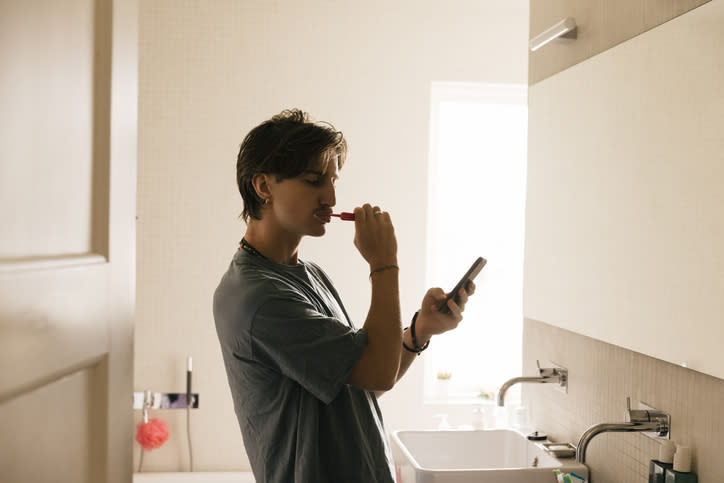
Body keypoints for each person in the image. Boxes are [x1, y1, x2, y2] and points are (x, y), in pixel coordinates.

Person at [213, 108, 475, 482]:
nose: (332, 197)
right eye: (314, 180)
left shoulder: (307, 274)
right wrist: (384, 263)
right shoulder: (259, 298)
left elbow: (361, 382)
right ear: (264, 186)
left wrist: (420, 331)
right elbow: (378, 375)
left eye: (333, 181)